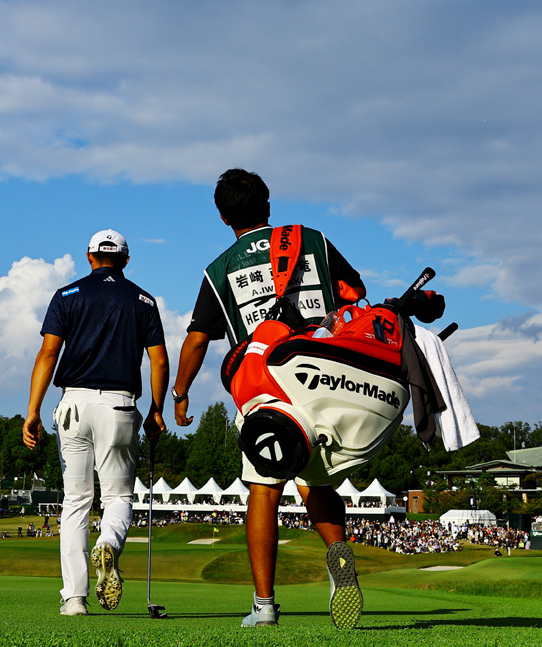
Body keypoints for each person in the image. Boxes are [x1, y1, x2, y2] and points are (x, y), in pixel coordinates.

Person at [171, 169, 366, 629]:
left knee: (263, 487)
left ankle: (264, 606)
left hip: (268, 386)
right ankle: (339, 562)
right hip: (324, 377)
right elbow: (355, 293)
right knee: (318, 482)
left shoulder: (219, 268)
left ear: (222, 217)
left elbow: (198, 339)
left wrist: (179, 395)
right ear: (269, 206)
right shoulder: (310, 239)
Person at [23, 229, 169, 617]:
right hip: (120, 406)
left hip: (72, 404)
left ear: (89, 257)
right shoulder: (143, 300)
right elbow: (158, 360)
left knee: (75, 502)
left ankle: (75, 599)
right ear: (124, 260)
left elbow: (48, 353)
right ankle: (108, 541)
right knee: (118, 497)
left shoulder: (67, 295)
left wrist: (33, 410)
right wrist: (157, 409)